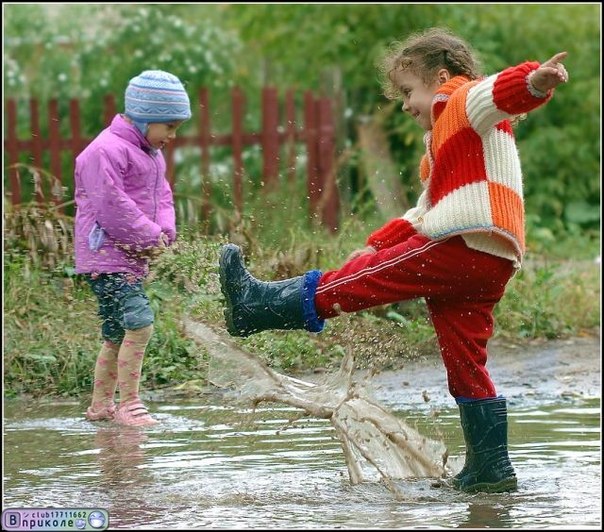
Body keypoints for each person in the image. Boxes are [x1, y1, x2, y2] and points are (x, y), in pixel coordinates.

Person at [219, 28, 570, 492]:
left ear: (441, 77)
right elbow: (424, 211)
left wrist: (535, 80)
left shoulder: (460, 100)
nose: (406, 105)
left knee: (363, 281)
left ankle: (257, 306)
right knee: (465, 358)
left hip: (463, 245)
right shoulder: (448, 143)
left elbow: (498, 92)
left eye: (409, 92)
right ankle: (491, 470)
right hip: (491, 258)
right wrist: (378, 244)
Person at [75, 70, 191, 426]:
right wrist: (148, 237)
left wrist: (165, 232)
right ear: (144, 118)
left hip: (130, 256)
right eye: (169, 127)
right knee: (139, 325)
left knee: (115, 333)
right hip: (107, 258)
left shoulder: (150, 153)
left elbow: (164, 196)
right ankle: (130, 404)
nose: (173, 136)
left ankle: (100, 407)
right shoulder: (104, 151)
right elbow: (112, 205)